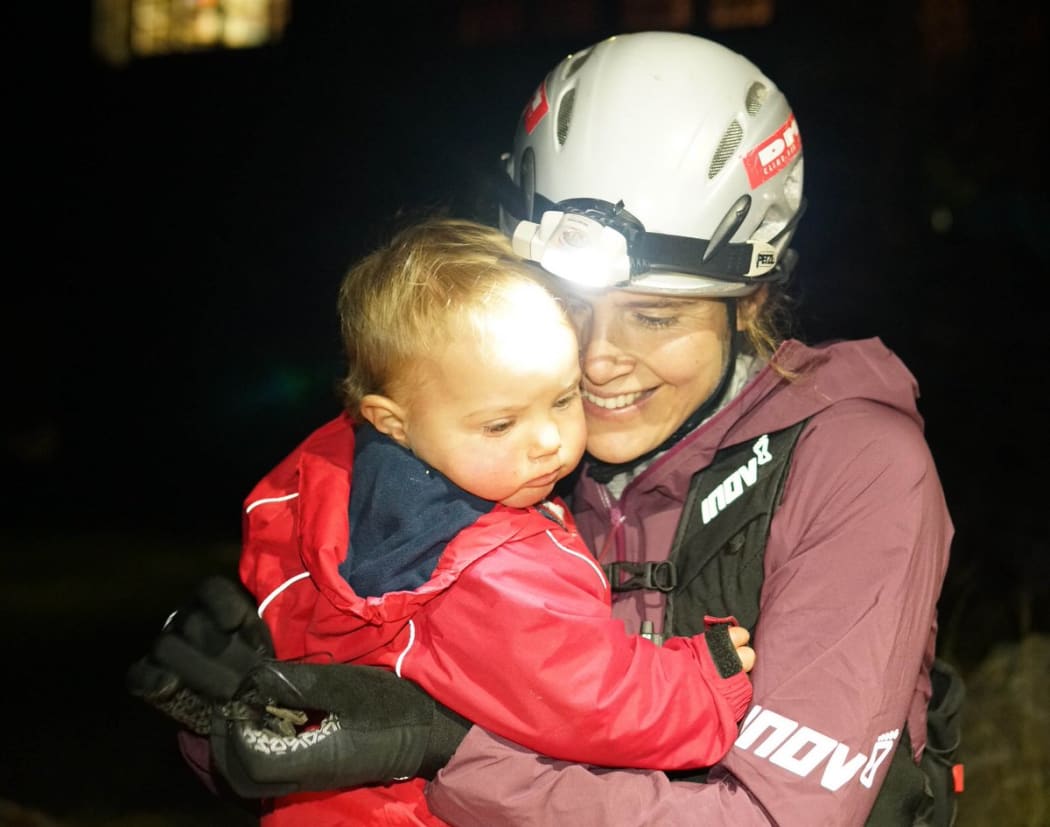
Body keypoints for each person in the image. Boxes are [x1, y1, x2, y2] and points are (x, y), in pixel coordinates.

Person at [130, 31, 956, 826]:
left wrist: (444, 751)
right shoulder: (507, 434)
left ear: (749, 299)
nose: (596, 364)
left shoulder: (854, 466)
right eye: (564, 306)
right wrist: (240, 718)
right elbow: (326, 741)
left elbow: (780, 816)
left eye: (656, 315)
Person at [138, 215, 759, 825]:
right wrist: (707, 680)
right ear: (392, 421)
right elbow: (604, 707)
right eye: (500, 424)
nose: (549, 440)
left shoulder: (318, 489)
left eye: (563, 398)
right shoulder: (495, 567)